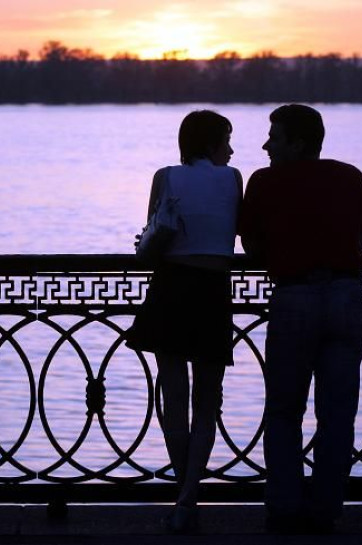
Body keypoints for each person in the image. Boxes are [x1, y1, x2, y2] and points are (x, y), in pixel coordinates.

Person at [238, 104, 362, 533]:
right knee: (338, 413)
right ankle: (325, 511)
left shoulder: (263, 183)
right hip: (346, 296)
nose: (266, 145)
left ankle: (284, 508)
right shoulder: (352, 176)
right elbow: (361, 238)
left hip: (294, 297)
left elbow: (252, 249)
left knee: (284, 410)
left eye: (274, 137)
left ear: (297, 143)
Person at [126, 110, 242, 533]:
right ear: (212, 144)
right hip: (213, 289)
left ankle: (182, 497)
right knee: (208, 399)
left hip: (172, 285)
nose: (231, 150)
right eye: (226, 140)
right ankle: (190, 493)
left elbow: (155, 230)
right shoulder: (233, 179)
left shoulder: (165, 176)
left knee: (174, 395)